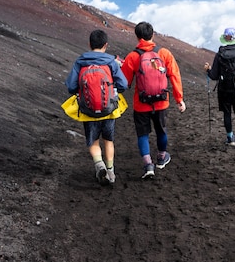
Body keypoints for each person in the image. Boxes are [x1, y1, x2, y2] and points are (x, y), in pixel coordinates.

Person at [121, 21, 186, 179]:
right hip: (161, 102)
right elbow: (175, 76)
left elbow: (124, 82)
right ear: (153, 35)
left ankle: (148, 164)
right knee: (161, 130)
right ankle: (162, 157)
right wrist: (179, 99)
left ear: (137, 37)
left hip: (141, 104)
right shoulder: (164, 53)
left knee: (142, 134)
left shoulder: (133, 56)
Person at [65, 29, 129, 186]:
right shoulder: (111, 62)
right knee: (108, 140)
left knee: (93, 141)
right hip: (109, 110)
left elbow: (71, 86)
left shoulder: (80, 62)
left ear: (89, 44)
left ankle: (99, 165)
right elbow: (124, 84)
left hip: (88, 110)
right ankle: (110, 171)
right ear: (106, 45)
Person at [204, 27, 235, 147]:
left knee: (227, 113)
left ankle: (230, 138)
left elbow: (214, 75)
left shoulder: (220, 54)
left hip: (224, 89)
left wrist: (208, 70)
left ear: (225, 39)